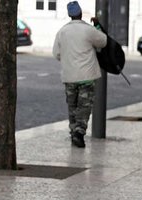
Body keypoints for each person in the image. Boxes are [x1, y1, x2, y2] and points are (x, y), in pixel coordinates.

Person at [52, 1, 107, 148]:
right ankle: (79, 133)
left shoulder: (62, 32)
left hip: (69, 76)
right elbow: (103, 41)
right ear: (81, 14)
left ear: (70, 15)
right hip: (86, 76)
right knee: (84, 106)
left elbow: (56, 53)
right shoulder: (88, 30)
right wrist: (97, 25)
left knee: (72, 106)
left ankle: (73, 132)